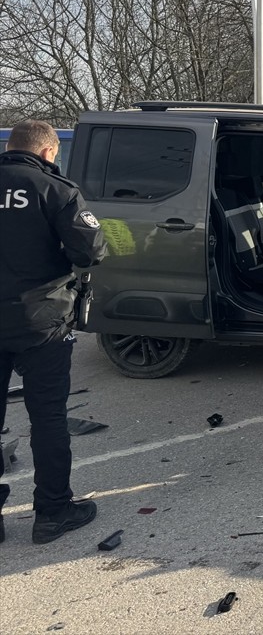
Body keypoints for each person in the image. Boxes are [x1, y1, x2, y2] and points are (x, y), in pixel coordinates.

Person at [1, 120, 107, 544]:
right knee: (47, 418)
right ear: (48, 152)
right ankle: (52, 511)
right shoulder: (55, 189)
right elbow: (92, 250)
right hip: (40, 319)